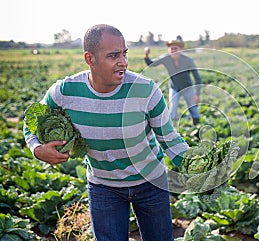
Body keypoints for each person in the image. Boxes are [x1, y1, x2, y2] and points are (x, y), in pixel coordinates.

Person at [24, 24, 189, 241]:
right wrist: (37, 149)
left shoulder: (145, 90)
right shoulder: (65, 91)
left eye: (124, 53)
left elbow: (169, 138)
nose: (123, 62)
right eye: (113, 55)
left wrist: (194, 163)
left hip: (151, 183)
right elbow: (31, 123)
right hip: (104, 188)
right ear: (90, 59)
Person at [144, 38, 202, 125]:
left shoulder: (188, 60)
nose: (173, 50)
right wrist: (146, 55)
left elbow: (197, 78)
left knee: (193, 109)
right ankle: (172, 132)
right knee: (172, 111)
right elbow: (151, 63)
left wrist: (197, 94)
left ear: (181, 49)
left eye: (176, 48)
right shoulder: (166, 58)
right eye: (172, 48)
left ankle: (197, 129)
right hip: (174, 87)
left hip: (188, 88)